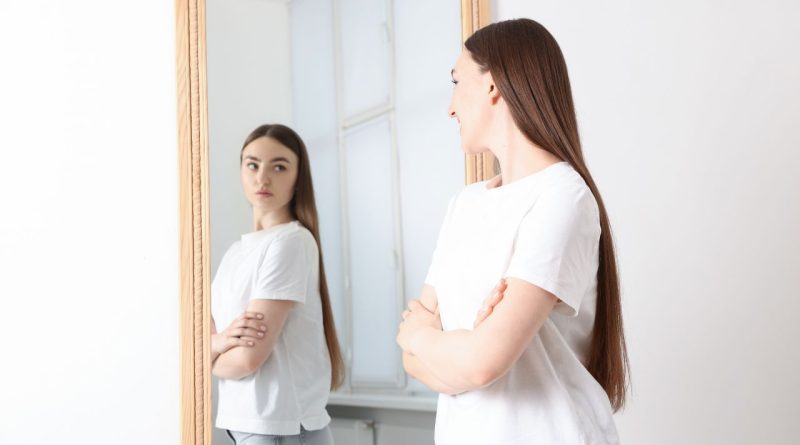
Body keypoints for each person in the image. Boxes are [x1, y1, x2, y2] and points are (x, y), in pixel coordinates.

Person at [396, 18, 629, 445]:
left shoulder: (563, 196)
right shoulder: (464, 204)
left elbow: (482, 363)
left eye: (456, 82)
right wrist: (461, 346)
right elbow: (415, 362)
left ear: (493, 85)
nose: (450, 108)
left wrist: (421, 334)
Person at [210, 124, 344, 445]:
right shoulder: (234, 253)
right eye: (252, 165)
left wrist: (210, 352)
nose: (263, 178)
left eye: (279, 167)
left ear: (299, 178)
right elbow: (207, 339)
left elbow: (247, 359)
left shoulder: (290, 242)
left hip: (281, 427)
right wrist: (217, 345)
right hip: (247, 425)